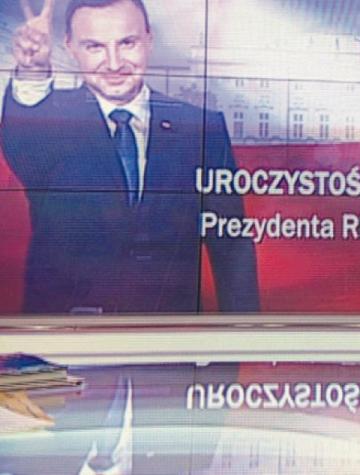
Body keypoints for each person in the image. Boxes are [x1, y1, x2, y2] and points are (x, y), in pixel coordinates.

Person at [0, 0, 259, 313]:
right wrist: (32, 72)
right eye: (95, 46)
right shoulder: (51, 123)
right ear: (70, 48)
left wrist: (241, 337)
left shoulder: (203, 128)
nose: (113, 64)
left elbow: (231, 247)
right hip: (66, 335)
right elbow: (21, 141)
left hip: (169, 335)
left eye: (127, 43)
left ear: (149, 40)